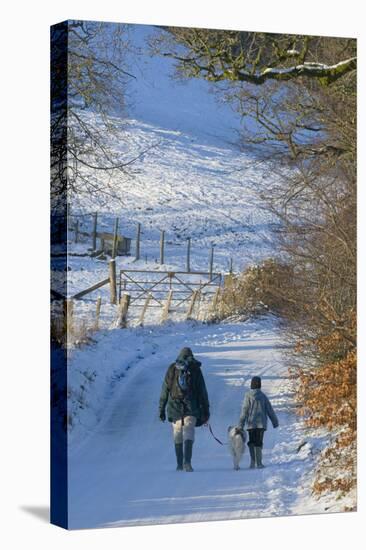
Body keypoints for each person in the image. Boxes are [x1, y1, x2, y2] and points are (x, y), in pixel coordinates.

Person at [159, 347, 210, 472]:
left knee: (177, 434)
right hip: (191, 406)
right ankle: (187, 462)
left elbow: (165, 389)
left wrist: (161, 408)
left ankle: (179, 464)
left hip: (174, 406)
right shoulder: (195, 369)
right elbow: (202, 391)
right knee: (188, 432)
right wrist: (206, 410)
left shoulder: (172, 368)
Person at [238, 376, 279, 469]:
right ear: (260, 385)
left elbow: (244, 410)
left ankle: (252, 463)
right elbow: (270, 410)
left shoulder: (247, 396)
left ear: (251, 385)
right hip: (261, 424)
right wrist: (275, 422)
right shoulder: (263, 396)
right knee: (259, 442)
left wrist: (241, 424)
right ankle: (259, 463)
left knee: (251, 441)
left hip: (251, 424)